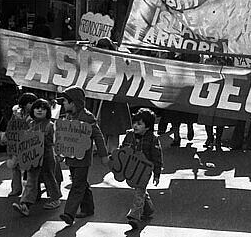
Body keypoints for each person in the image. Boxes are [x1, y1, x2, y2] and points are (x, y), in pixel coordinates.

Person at [57, 86, 110, 225]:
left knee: (77, 185)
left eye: (65, 101)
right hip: (71, 158)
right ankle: (88, 208)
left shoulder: (87, 117)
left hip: (83, 158)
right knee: (81, 183)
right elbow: (63, 137)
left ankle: (69, 213)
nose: (63, 104)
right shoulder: (68, 116)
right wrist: (60, 153)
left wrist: (104, 154)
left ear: (73, 103)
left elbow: (98, 136)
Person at [12, 99, 62, 216]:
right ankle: (25, 204)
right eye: (37, 108)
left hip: (47, 155)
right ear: (32, 110)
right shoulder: (29, 124)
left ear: (48, 111)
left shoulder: (50, 125)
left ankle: (55, 198)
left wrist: (59, 154)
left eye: (43, 108)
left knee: (48, 176)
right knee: (31, 178)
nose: (40, 110)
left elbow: (56, 141)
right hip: (32, 156)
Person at [119, 108, 163, 229]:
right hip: (132, 168)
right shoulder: (129, 135)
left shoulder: (152, 139)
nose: (135, 126)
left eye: (139, 124)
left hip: (145, 170)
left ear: (147, 126)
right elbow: (123, 150)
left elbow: (157, 157)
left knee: (139, 190)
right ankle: (148, 209)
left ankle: (134, 216)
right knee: (141, 190)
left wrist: (157, 174)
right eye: (135, 123)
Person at [94, 37, 132, 154]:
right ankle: (102, 148)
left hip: (115, 98)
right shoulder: (96, 59)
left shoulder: (119, 59)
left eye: (105, 48)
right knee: (102, 124)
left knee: (115, 126)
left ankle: (113, 149)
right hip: (101, 97)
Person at [6, 92, 38, 197]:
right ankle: (16, 189)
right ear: (24, 104)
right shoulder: (16, 113)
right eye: (30, 103)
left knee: (29, 168)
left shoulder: (36, 114)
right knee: (14, 166)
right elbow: (11, 125)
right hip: (16, 144)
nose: (33, 105)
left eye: (34, 102)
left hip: (29, 145)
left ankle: (29, 192)